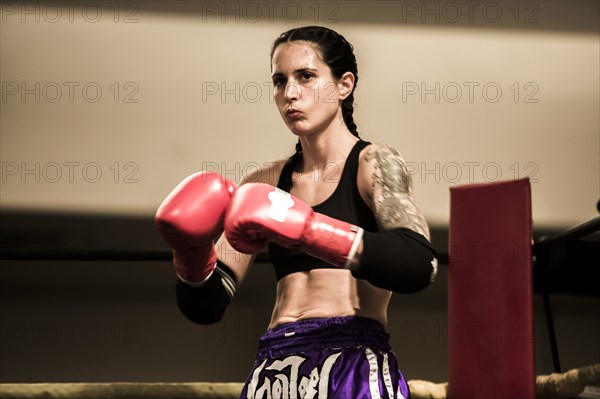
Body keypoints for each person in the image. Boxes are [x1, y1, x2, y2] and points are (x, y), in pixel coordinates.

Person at [155, 26, 438, 399]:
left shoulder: (374, 163)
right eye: (279, 81)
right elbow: (207, 306)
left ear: (344, 85)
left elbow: (419, 265)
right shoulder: (264, 182)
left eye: (306, 76)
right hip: (275, 365)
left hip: (350, 357)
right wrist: (190, 253)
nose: (290, 93)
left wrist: (307, 228)